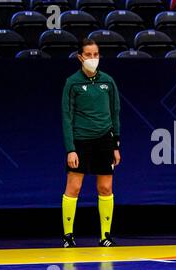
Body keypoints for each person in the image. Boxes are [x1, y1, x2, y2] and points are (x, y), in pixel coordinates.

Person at [61, 39, 121, 248]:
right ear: (80, 57)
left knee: (105, 188)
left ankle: (105, 236)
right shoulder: (72, 83)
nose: (93, 59)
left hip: (104, 140)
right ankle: (68, 236)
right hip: (80, 141)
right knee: (74, 187)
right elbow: (66, 117)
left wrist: (116, 145)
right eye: (88, 55)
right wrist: (71, 149)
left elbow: (115, 113)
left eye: (96, 54)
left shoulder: (108, 81)